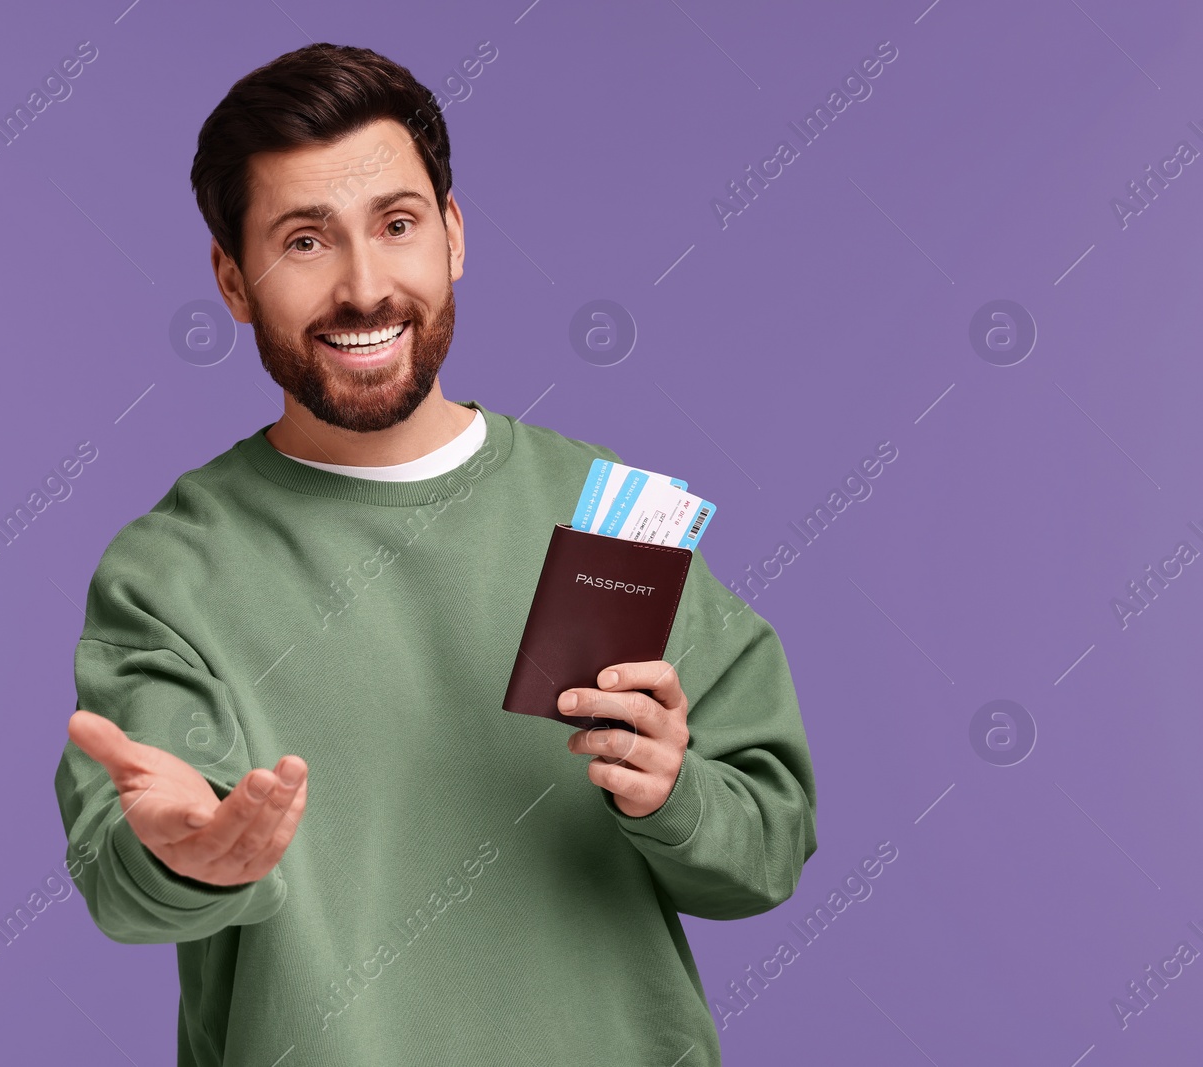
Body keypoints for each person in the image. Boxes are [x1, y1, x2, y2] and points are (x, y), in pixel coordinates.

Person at [54, 42, 817, 1067]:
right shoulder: (171, 571)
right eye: (304, 242)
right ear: (233, 280)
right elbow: (125, 869)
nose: (365, 287)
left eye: (397, 225)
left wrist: (671, 792)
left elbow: (766, 847)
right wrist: (187, 860)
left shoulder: (607, 517)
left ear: (452, 237)